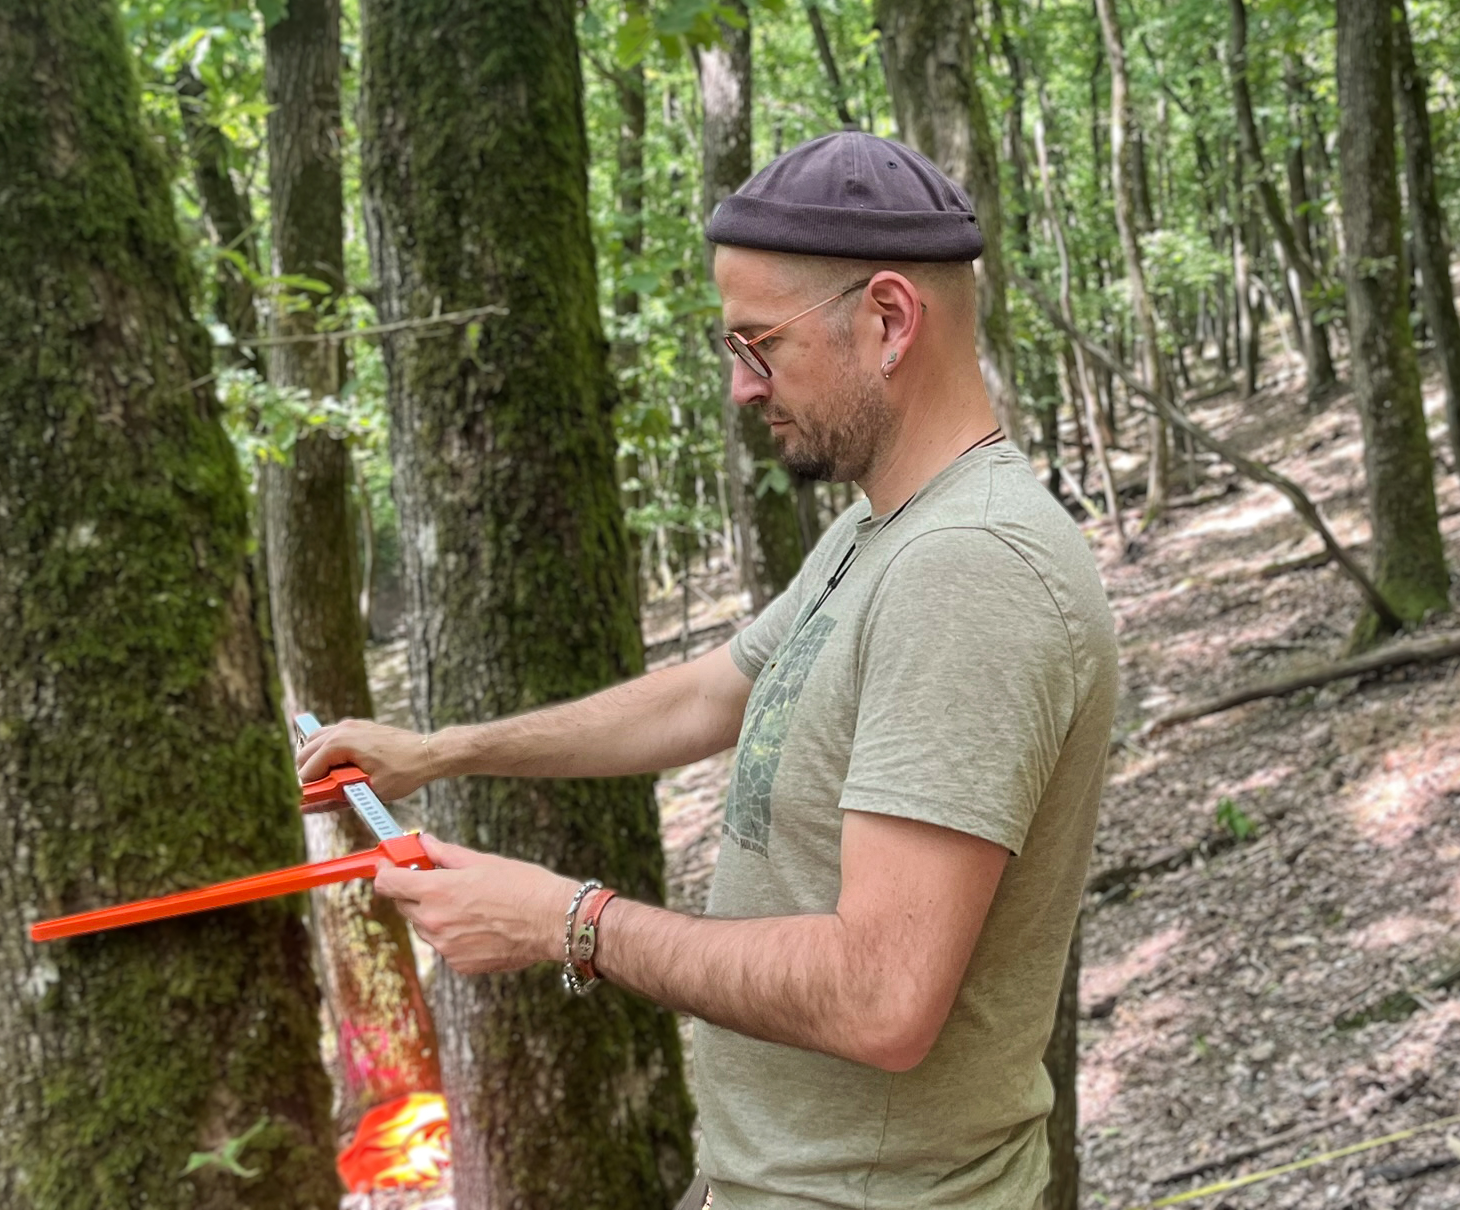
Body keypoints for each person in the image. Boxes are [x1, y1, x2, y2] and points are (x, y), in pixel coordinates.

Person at [297, 130, 1117, 1209]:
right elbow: (706, 695)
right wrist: (442, 753)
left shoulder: (969, 569)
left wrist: (566, 922)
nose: (740, 386)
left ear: (887, 321)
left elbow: (882, 997)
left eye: (758, 345)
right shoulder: (885, 529)